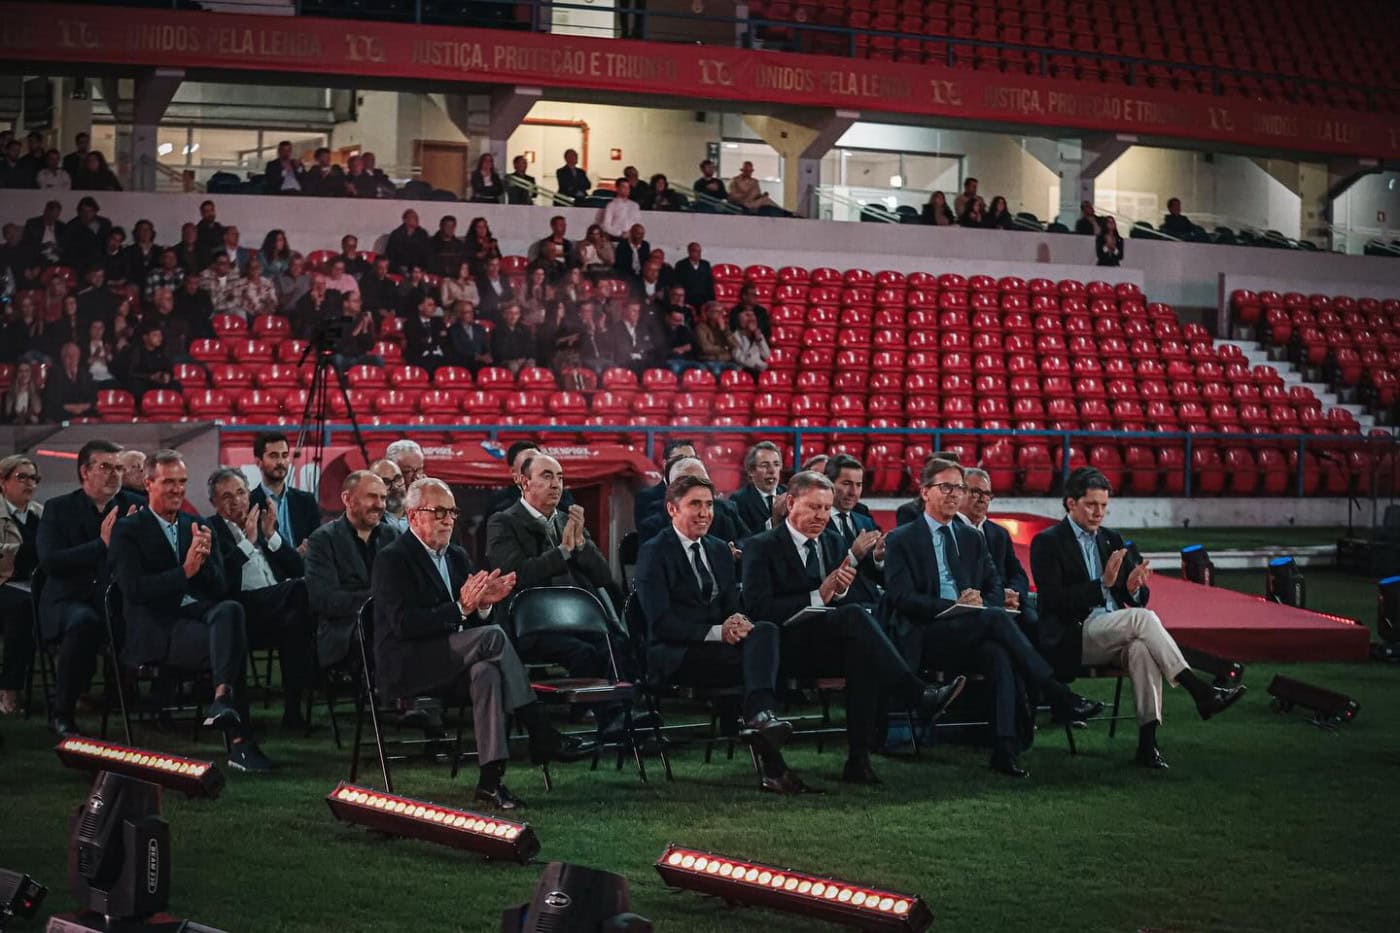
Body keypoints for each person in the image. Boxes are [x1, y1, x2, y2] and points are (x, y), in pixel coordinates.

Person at [372, 477, 598, 809]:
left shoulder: (458, 556)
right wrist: (461, 608)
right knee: (492, 639)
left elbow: (478, 624)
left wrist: (484, 605)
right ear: (412, 516)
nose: (448, 519)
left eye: (452, 512)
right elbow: (403, 624)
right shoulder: (392, 558)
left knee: (487, 674)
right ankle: (541, 731)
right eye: (438, 512)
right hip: (409, 663)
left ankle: (491, 782)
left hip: (455, 659)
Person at [742, 471, 968, 785]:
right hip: (781, 648)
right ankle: (917, 695)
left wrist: (842, 589)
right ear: (791, 503)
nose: (821, 516)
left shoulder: (834, 541)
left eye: (825, 508)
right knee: (853, 619)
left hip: (826, 643)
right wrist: (819, 595)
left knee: (863, 651)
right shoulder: (761, 546)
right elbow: (758, 610)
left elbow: (857, 593)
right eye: (813, 508)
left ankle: (858, 762)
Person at [883, 459, 1102, 778]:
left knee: (998, 653)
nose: (954, 495)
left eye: (958, 488)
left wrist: (980, 601)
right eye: (946, 487)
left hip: (972, 628)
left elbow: (995, 585)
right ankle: (1057, 693)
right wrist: (952, 604)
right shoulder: (901, 538)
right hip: (928, 632)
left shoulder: (971, 537)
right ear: (924, 492)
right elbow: (901, 598)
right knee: (999, 622)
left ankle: (1004, 748)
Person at [1030, 467, 1246, 769]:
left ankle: (1147, 745)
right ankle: (1199, 690)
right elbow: (1052, 602)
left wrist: (1133, 588)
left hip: (1115, 629)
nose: (1098, 513)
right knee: (1142, 620)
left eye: (1104, 506)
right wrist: (1101, 585)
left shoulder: (1111, 538)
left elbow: (1135, 598)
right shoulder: (1047, 542)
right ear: (1070, 503)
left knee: (1142, 648)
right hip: (1073, 635)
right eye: (1091, 504)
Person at [633, 474, 804, 794]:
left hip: (720, 650)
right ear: (672, 509)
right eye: (694, 504)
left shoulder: (718, 549)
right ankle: (768, 746)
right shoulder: (654, 552)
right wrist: (716, 632)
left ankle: (759, 718)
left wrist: (738, 620)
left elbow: (731, 605)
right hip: (676, 653)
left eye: (709, 505)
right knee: (755, 664)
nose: (704, 513)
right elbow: (660, 623)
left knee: (764, 630)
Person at [109, 450, 272, 772]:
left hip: (198, 621)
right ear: (148, 483)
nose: (177, 489)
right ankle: (241, 743)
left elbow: (219, 588)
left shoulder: (194, 524)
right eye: (168, 482)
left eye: (182, 482)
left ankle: (223, 698)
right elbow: (134, 590)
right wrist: (185, 571)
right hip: (155, 628)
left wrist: (206, 562)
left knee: (230, 611)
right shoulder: (128, 529)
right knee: (231, 642)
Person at [485, 454, 629, 734]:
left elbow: (602, 576)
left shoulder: (567, 520)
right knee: (584, 652)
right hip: (530, 626)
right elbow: (517, 575)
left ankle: (620, 717)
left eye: (560, 477)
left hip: (577, 621)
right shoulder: (503, 522)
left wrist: (580, 547)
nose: (556, 484)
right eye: (547, 476)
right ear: (524, 482)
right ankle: (610, 719)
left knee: (616, 643)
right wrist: (562, 552)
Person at [36, 441, 138, 736]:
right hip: (68, 601)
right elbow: (50, 562)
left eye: (119, 468)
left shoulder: (132, 506)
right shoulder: (58, 508)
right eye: (105, 467)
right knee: (84, 621)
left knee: (147, 611)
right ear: (85, 471)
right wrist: (102, 545)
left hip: (117, 599)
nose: (114, 474)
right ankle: (62, 713)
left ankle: (146, 700)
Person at [207, 467, 314, 729]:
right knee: (301, 590)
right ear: (214, 503)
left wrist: (270, 536)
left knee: (296, 624)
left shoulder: (260, 522)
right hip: (240, 612)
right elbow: (219, 583)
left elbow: (297, 568)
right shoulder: (209, 529)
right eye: (227, 496)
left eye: (241, 493)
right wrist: (247, 543)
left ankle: (293, 712)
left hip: (275, 611)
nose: (237, 501)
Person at [304, 470, 396, 668]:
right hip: (343, 631)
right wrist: (376, 601)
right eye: (372, 496)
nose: (380, 505)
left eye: (383, 498)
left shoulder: (393, 536)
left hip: (390, 624)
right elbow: (324, 600)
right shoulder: (322, 540)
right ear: (347, 498)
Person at [958, 467, 1037, 641]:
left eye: (987, 494)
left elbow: (1018, 573)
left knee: (1036, 623)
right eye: (976, 492)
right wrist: (998, 597)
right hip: (976, 607)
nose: (982, 499)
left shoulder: (999, 533)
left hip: (1008, 605)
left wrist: (1013, 592)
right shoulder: (951, 529)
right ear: (960, 492)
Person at [0, 455, 42, 715]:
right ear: (3, 482)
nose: (29, 483)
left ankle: (77, 691)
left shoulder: (42, 512)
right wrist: (24, 551)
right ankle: (10, 689)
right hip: (4, 583)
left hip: (36, 584)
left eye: (33, 478)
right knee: (22, 609)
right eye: (21, 477)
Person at [636, 455, 751, 547]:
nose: (703, 513)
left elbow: (748, 541)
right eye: (691, 484)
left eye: (704, 481)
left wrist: (735, 549)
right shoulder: (653, 525)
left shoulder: (725, 511)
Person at [821, 455, 884, 607]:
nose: (853, 492)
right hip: (839, 608)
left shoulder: (865, 521)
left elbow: (877, 577)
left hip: (873, 603)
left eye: (859, 485)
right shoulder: (816, 521)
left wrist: (878, 558)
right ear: (828, 483)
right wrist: (853, 556)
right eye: (847, 483)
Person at [248, 431, 321, 550]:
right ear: (258, 462)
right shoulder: (250, 503)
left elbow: (317, 543)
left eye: (284, 455)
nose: (281, 462)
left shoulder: (306, 501)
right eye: (273, 456)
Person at [633, 439, 698, 528]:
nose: (688, 464)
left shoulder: (704, 498)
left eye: (692, 459)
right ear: (665, 464)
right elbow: (649, 536)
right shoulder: (646, 498)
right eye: (681, 459)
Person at [730, 441, 786, 533]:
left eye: (776, 464)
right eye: (765, 465)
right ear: (751, 471)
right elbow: (744, 540)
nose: (772, 470)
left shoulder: (789, 495)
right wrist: (773, 522)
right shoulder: (738, 501)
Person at [44, 342, 98, 421]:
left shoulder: (86, 375)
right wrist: (71, 408)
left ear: (78, 357)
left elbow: (93, 399)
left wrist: (82, 407)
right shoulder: (54, 375)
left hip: (84, 417)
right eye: (68, 356)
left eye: (74, 356)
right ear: (62, 358)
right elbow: (52, 402)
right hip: (63, 419)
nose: (72, 359)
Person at [601, 300, 658, 374]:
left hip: (642, 364)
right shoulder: (615, 329)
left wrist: (641, 355)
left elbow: (649, 348)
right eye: (633, 311)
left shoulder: (643, 329)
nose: (636, 314)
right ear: (625, 311)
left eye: (638, 311)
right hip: (624, 365)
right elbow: (616, 352)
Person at [406, 295, 450, 372]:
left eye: (434, 305)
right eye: (430, 305)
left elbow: (443, 340)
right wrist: (431, 345)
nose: (433, 308)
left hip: (437, 356)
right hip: (419, 356)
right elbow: (415, 342)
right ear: (420, 307)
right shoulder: (410, 323)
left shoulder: (439, 322)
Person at [693, 300, 739, 374]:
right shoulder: (701, 328)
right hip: (709, 360)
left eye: (721, 311)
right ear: (708, 313)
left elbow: (735, 345)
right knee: (716, 370)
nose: (721, 314)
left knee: (738, 369)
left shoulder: (725, 327)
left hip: (726, 360)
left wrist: (724, 331)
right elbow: (706, 349)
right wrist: (725, 348)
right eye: (716, 311)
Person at [490, 302, 536, 375]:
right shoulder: (498, 330)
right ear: (505, 315)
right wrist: (517, 360)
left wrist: (523, 359)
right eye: (510, 313)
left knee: (531, 363)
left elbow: (530, 348)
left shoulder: (524, 329)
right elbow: (500, 353)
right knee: (513, 366)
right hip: (505, 361)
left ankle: (527, 385)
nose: (513, 316)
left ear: (519, 315)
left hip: (522, 360)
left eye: (516, 313)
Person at [446, 301, 492, 372]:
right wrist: (477, 357)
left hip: (481, 362)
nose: (471, 315)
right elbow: (457, 350)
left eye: (471, 312)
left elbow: (485, 346)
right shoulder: (452, 330)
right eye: (467, 312)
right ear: (459, 314)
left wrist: (487, 354)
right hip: (464, 363)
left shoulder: (479, 328)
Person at [386, 209, 432, 274]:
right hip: (400, 268)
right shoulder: (396, 234)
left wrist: (424, 269)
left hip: (418, 269)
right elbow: (390, 254)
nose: (416, 220)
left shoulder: (422, 234)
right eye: (413, 218)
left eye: (416, 218)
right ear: (405, 220)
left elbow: (427, 254)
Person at [672, 242, 715, 309]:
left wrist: (711, 301)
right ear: (689, 252)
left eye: (699, 251)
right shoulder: (681, 265)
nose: (698, 254)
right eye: (695, 251)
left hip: (703, 300)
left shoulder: (705, 264)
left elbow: (709, 284)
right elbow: (678, 284)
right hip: (687, 300)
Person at [370, 459, 409, 533]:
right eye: (386, 482)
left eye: (398, 479)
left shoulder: (422, 513)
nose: (395, 486)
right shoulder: (367, 523)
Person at [476, 255, 514, 323]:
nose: (495, 268)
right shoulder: (480, 282)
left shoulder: (504, 279)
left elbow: (511, 296)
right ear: (486, 266)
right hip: (490, 313)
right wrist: (500, 305)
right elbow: (483, 304)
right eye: (492, 265)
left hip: (507, 312)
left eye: (497, 265)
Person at [732, 308, 770, 375]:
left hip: (759, 368)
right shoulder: (735, 336)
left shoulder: (759, 335)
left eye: (753, 316)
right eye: (747, 316)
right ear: (740, 321)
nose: (751, 318)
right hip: (743, 369)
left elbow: (766, 355)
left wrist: (759, 339)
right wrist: (753, 365)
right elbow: (738, 357)